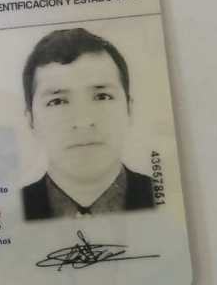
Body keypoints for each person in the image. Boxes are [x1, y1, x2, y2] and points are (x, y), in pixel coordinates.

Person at [21, 27, 154, 220]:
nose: (83, 122)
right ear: (31, 120)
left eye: (102, 96)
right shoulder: (10, 213)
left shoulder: (165, 198)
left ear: (129, 109)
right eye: (57, 101)